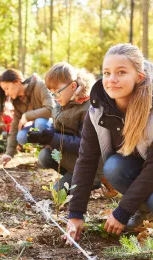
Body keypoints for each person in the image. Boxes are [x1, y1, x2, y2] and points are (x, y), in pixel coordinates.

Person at [65, 43, 153, 244]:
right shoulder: (97, 111)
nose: (111, 79)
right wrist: (75, 214)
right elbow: (86, 161)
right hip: (143, 160)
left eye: (121, 72)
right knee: (113, 166)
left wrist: (122, 211)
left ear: (139, 77)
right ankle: (144, 212)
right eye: (107, 72)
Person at [26, 62, 117, 197]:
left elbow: (85, 145)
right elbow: (57, 127)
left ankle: (95, 179)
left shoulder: (88, 108)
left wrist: (53, 138)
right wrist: (42, 137)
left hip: (90, 163)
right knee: (45, 156)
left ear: (73, 86)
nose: (54, 97)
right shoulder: (61, 102)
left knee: (57, 193)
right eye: (51, 93)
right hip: (74, 159)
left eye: (57, 92)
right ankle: (78, 176)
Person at [0, 69, 55, 166]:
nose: (6, 93)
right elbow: (14, 127)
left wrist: (27, 116)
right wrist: (9, 153)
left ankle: (53, 149)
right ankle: (43, 152)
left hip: (53, 126)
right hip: (39, 129)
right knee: (21, 136)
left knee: (40, 122)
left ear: (17, 82)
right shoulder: (17, 101)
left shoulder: (40, 85)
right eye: (4, 90)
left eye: (7, 88)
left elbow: (51, 109)